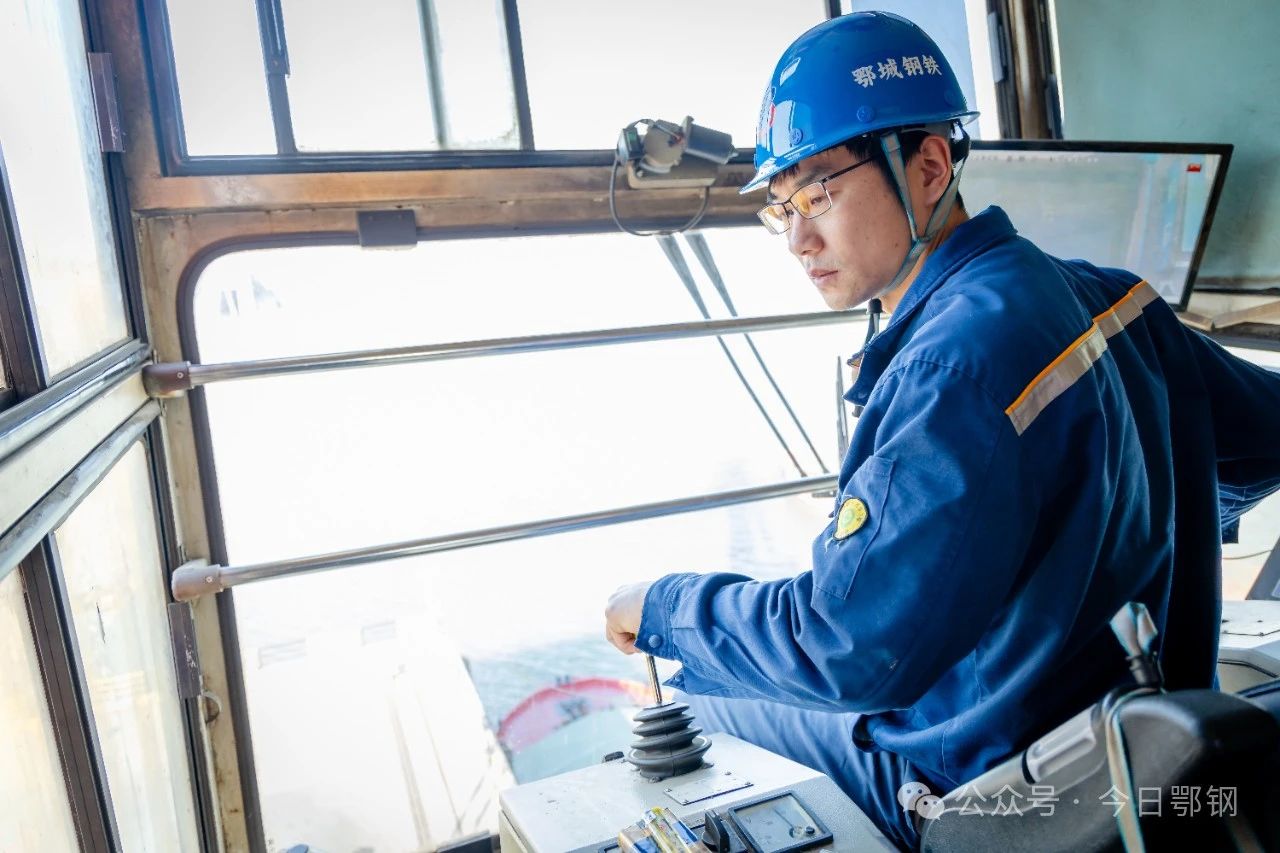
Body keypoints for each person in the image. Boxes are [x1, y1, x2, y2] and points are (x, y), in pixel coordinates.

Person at [604, 10, 1280, 852]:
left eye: (819, 192)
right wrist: (1136, 529)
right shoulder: (1115, 298)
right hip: (1140, 734)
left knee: (699, 700)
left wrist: (663, 606)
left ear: (928, 166)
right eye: (781, 208)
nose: (800, 238)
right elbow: (1266, 435)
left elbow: (847, 649)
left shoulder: (951, 366)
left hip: (991, 778)